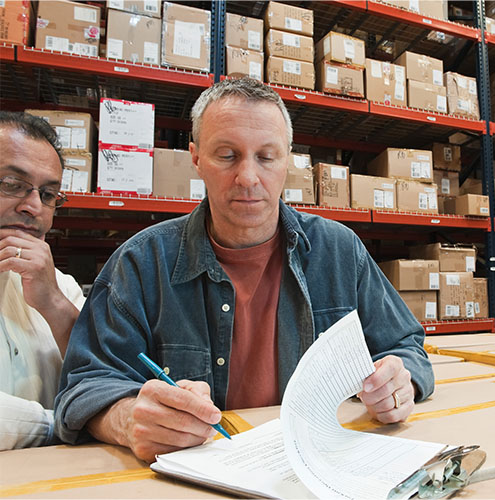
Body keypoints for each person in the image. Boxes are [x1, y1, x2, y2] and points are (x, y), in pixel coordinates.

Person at [55, 77, 434, 462]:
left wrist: (400, 381)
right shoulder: (141, 263)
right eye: (227, 155)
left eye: (267, 157)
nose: (249, 178)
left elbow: (406, 346)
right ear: (196, 158)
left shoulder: (338, 251)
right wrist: (126, 419)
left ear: (288, 160)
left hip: (322, 463)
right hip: (196, 477)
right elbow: (83, 385)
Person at [0, 112, 85, 449]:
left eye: (49, 194)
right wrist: (61, 425)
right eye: (11, 185)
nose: (33, 206)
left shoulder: (62, 288)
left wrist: (53, 305)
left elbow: (110, 382)